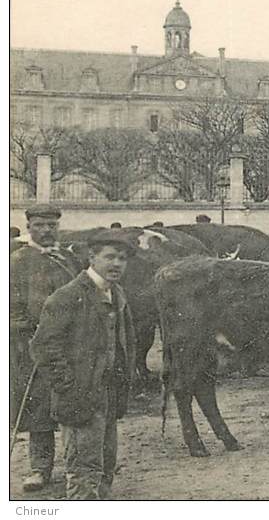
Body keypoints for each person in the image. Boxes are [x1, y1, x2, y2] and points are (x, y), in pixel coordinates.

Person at [30, 230, 137, 500]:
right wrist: (70, 389)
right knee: (83, 470)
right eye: (109, 257)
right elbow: (43, 347)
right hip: (81, 397)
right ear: (92, 258)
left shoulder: (118, 293)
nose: (116, 264)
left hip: (110, 394)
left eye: (122, 258)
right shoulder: (68, 296)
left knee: (106, 465)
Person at [10, 204, 80, 493]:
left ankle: (78, 464)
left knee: (74, 400)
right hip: (33, 344)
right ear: (29, 227)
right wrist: (31, 332)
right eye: (40, 225)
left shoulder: (69, 259)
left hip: (71, 345)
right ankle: (40, 467)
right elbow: (11, 308)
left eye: (52, 225)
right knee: (38, 404)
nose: (47, 230)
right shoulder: (17, 261)